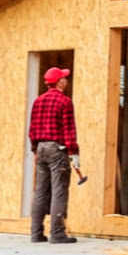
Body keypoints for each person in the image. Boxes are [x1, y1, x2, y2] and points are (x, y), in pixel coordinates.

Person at [29, 67, 80, 244]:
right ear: (59, 81)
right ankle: (57, 233)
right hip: (57, 149)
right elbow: (68, 130)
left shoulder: (38, 101)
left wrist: (35, 150)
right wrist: (74, 152)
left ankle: (36, 233)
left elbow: (32, 129)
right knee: (59, 190)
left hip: (41, 148)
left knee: (40, 192)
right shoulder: (64, 102)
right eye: (64, 78)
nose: (66, 80)